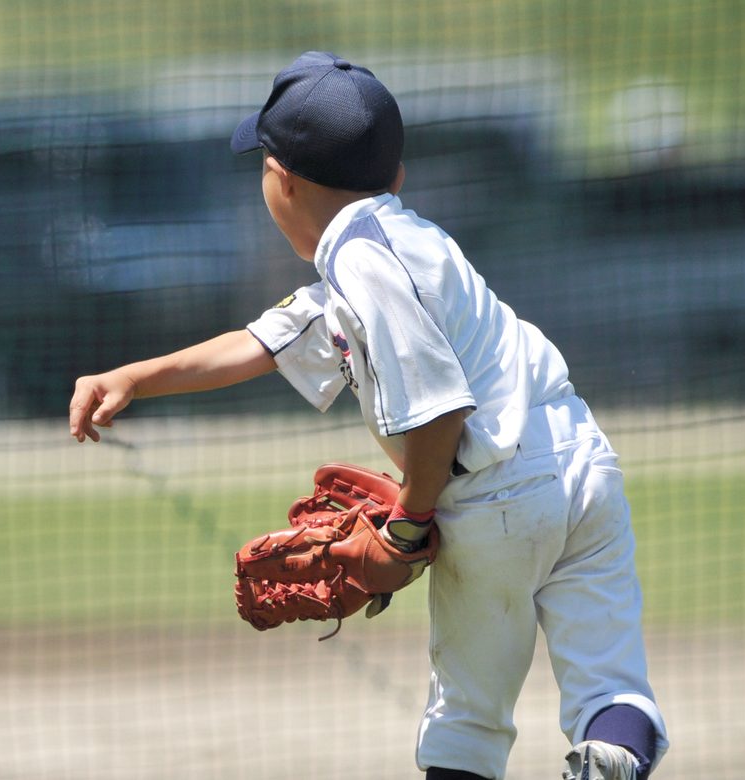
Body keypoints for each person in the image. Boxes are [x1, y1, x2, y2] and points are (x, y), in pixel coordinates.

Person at [67, 52, 668, 780]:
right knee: (611, 689)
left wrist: (409, 525)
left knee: (466, 719)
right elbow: (263, 341)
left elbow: (440, 409)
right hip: (582, 466)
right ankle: (610, 758)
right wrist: (132, 377)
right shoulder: (397, 243)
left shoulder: (363, 261)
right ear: (397, 179)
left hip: (496, 495)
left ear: (280, 180)